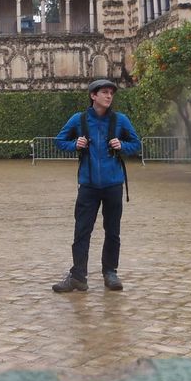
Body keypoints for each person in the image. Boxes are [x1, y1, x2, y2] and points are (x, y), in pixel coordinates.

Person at [51, 78, 141, 293]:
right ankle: (78, 276)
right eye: (105, 92)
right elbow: (59, 141)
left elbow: (136, 144)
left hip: (113, 185)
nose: (109, 96)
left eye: (111, 93)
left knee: (113, 231)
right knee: (82, 231)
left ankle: (110, 272)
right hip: (88, 186)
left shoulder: (120, 120)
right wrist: (75, 144)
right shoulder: (78, 120)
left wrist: (123, 145)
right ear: (93, 96)